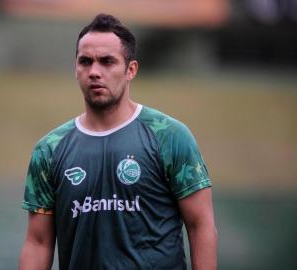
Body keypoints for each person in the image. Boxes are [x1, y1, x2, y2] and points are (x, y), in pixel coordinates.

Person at [19, 14, 217, 270]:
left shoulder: (169, 136)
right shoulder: (50, 150)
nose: (94, 72)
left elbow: (200, 225)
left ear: (130, 69)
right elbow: (38, 242)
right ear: (75, 68)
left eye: (107, 62)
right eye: (85, 62)